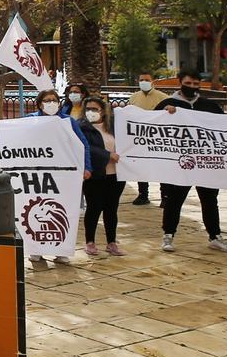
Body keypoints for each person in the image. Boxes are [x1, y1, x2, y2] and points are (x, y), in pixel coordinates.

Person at [157, 69, 227, 254]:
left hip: (205, 163)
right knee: (174, 200)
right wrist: (164, 114)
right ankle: (168, 235)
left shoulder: (209, 105)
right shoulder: (167, 104)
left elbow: (223, 128)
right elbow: (153, 128)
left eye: (196, 84)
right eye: (188, 83)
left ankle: (215, 236)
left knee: (209, 200)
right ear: (180, 82)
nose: (192, 87)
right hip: (179, 163)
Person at [27, 89, 92, 264]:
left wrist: (86, 166)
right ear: (40, 103)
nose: (51, 103)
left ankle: (61, 249)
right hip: (38, 174)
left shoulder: (68, 121)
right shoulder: (30, 120)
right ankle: (36, 249)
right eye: (47, 100)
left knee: (62, 210)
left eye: (54, 100)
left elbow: (82, 145)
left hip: (63, 174)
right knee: (35, 209)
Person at [80, 97, 124, 256]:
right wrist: (107, 155)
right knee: (94, 208)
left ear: (103, 111)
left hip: (116, 175)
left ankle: (111, 242)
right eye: (88, 109)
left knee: (111, 209)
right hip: (95, 175)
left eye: (95, 109)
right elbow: (86, 148)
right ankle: (90, 241)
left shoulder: (114, 127)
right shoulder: (82, 127)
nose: (91, 112)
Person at [126, 71, 168, 205]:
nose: (143, 82)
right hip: (139, 137)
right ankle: (143, 194)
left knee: (162, 167)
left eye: (146, 79)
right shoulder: (133, 98)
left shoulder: (163, 97)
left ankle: (164, 196)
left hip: (157, 138)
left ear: (152, 81)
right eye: (141, 79)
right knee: (141, 167)